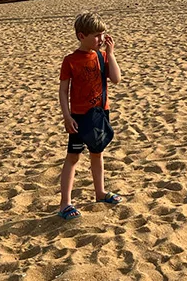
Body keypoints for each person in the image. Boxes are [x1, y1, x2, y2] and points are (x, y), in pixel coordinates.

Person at [57, 12, 123, 220]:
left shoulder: (102, 57)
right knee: (73, 157)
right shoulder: (70, 60)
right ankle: (65, 203)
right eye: (96, 35)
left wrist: (110, 54)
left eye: (103, 34)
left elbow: (116, 79)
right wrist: (67, 116)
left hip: (100, 114)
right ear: (81, 36)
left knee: (98, 153)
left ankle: (100, 192)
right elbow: (63, 91)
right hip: (79, 116)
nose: (101, 39)